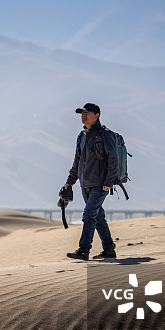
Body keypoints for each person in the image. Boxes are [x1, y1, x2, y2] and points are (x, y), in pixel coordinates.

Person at [63, 103, 118, 260]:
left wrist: (109, 182)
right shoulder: (82, 136)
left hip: (100, 184)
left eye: (87, 112)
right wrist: (69, 182)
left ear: (97, 115)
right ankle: (109, 249)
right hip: (85, 184)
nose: (83, 115)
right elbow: (77, 162)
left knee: (88, 215)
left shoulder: (105, 134)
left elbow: (113, 160)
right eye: (82, 113)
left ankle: (84, 250)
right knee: (98, 217)